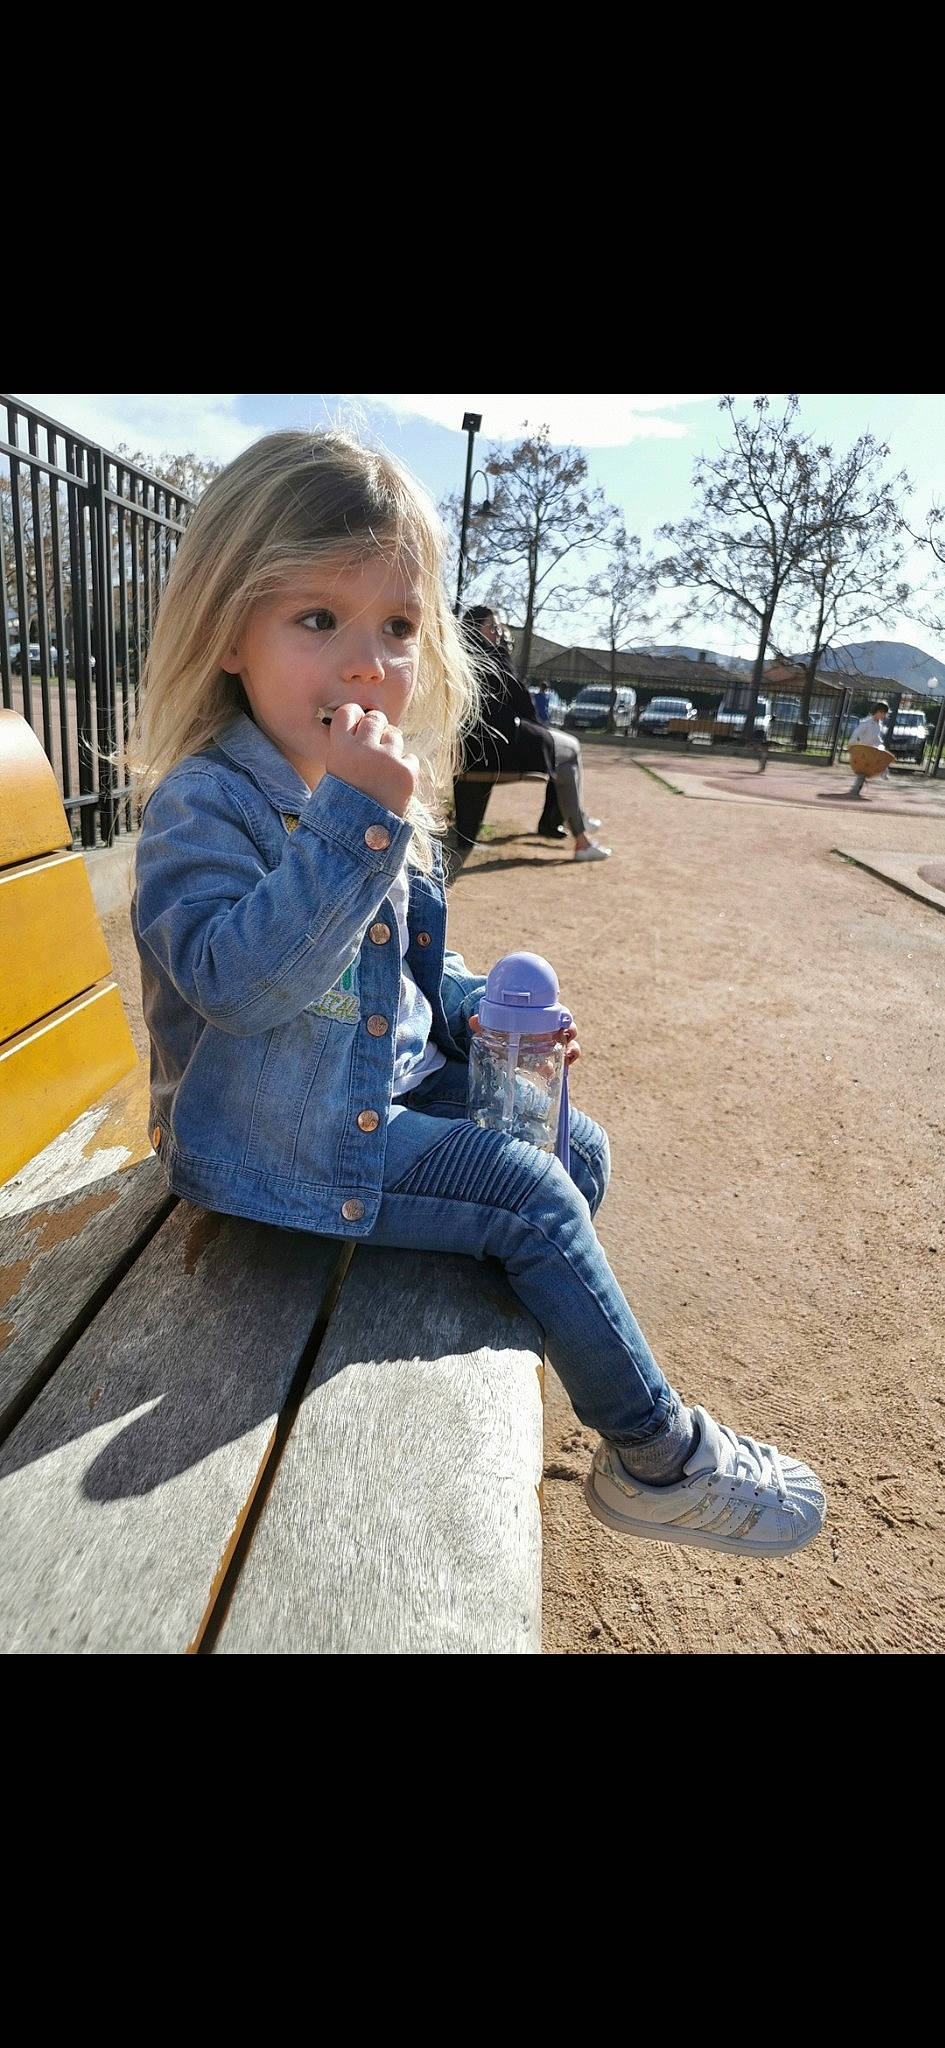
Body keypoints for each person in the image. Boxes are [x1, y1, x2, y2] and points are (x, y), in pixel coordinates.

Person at [128, 427, 826, 1561]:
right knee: (530, 1196)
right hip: (276, 1138)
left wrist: (482, 1014)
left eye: (397, 627)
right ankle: (657, 1456)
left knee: (574, 1147)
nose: (368, 662)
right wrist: (357, 819)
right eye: (319, 619)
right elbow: (238, 986)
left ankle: (461, 1273)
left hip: (374, 1094)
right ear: (226, 634)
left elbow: (404, 973)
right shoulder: (210, 806)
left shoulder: (368, 783)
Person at [460, 607, 609, 860]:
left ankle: (580, 832)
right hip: (501, 746)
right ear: (476, 629)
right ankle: (579, 831)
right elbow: (522, 703)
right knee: (570, 748)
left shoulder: (462, 658)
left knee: (563, 762)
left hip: (474, 747)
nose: (498, 634)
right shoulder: (493, 657)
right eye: (492, 628)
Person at [842, 700, 892, 798]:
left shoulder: (879, 724)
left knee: (875, 764)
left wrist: (881, 748)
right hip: (864, 750)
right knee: (862, 771)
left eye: (884, 714)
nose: (883, 715)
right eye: (882, 713)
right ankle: (854, 790)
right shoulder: (866, 723)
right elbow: (856, 734)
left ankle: (884, 771)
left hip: (874, 749)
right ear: (877, 712)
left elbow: (877, 738)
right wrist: (851, 745)